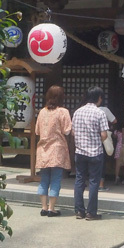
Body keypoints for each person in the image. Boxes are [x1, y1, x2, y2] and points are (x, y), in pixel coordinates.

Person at [34, 86, 72, 217]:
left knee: (44, 178)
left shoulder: (42, 112)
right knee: (56, 179)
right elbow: (67, 130)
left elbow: (37, 131)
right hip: (57, 148)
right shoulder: (63, 112)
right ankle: (52, 208)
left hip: (43, 149)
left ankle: (43, 207)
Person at [72, 86, 109, 220]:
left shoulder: (77, 112)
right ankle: (91, 212)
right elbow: (104, 135)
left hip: (80, 151)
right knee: (94, 181)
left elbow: (73, 132)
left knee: (79, 180)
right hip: (95, 152)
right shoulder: (100, 113)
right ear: (99, 98)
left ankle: (79, 211)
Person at [98, 106, 117, 191]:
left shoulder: (83, 110)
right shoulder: (104, 110)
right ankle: (101, 185)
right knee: (101, 161)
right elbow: (114, 120)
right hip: (102, 138)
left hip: (89, 140)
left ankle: (86, 183)